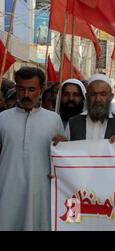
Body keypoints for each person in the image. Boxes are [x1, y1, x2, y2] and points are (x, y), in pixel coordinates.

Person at [0, 67, 64, 230]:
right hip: (7, 191)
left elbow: (62, 159)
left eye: (32, 89)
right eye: (21, 89)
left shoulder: (54, 120)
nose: (26, 95)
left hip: (40, 194)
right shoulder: (2, 119)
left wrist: (63, 145)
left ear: (41, 89)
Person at [64, 75, 115, 142]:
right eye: (93, 94)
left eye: (103, 94)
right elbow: (65, 149)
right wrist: (61, 143)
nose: (98, 99)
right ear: (87, 96)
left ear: (111, 97)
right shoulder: (73, 123)